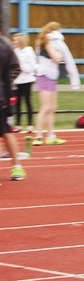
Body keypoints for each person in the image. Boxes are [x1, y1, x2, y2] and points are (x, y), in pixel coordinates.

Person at [32, 21, 81, 146]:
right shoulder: (46, 41)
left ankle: (50, 135)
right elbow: (57, 58)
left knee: (52, 107)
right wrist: (59, 53)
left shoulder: (49, 41)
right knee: (45, 107)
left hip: (51, 76)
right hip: (44, 75)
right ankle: (38, 136)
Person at [0, 36, 25, 181]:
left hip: (1, 98)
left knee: (6, 131)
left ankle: (17, 166)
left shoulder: (4, 44)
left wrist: (5, 83)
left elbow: (15, 67)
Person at [11, 33, 36, 133]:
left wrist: (20, 66)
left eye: (16, 40)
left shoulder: (29, 51)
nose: (14, 42)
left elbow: (30, 68)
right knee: (17, 103)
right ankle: (18, 124)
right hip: (17, 80)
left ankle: (30, 125)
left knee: (27, 101)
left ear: (21, 41)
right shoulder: (15, 51)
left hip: (27, 80)